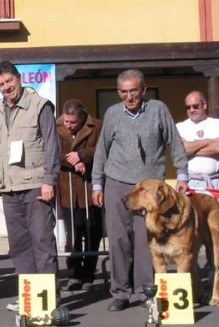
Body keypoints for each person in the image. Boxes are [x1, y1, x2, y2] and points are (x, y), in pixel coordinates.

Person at [91, 69, 188, 312]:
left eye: (133, 91)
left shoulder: (158, 109)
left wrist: (182, 173)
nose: (129, 97)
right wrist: (96, 183)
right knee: (118, 239)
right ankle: (121, 292)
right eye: (124, 92)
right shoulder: (112, 114)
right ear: (118, 93)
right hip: (117, 181)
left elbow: (174, 142)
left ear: (143, 90)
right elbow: (101, 150)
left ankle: (146, 290)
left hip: (150, 187)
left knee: (146, 239)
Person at [0, 60, 61, 312]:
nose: (6, 87)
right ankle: (30, 298)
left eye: (9, 81)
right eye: (1, 84)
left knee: (42, 243)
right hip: (9, 190)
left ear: (19, 78)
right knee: (20, 247)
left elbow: (51, 145)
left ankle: (49, 298)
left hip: (36, 186)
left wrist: (49, 180)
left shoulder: (40, 105)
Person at [56, 99, 103, 292]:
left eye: (73, 122)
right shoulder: (56, 126)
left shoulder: (98, 126)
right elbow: (53, 153)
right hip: (68, 189)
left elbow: (103, 150)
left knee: (93, 231)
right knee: (73, 234)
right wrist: (73, 161)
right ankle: (74, 273)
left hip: (91, 186)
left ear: (83, 117)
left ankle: (89, 273)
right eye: (66, 121)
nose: (68, 125)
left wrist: (83, 156)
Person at [176, 91, 219, 241]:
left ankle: (213, 263)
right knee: (192, 226)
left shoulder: (217, 123)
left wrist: (192, 147)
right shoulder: (180, 126)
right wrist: (207, 141)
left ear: (204, 105)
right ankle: (193, 264)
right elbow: (182, 150)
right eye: (188, 107)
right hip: (191, 182)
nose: (192, 110)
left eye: (195, 106)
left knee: (214, 225)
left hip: (213, 182)